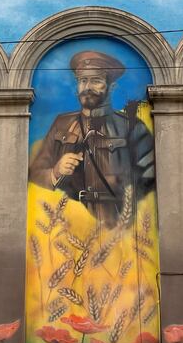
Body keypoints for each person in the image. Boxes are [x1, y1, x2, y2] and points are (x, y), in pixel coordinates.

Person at [29, 51, 155, 228]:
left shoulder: (132, 126)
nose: (87, 87)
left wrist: (123, 193)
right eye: (83, 81)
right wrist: (55, 172)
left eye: (95, 81)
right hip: (70, 223)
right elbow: (34, 174)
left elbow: (151, 174)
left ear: (110, 87)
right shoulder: (61, 124)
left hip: (119, 220)